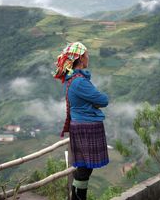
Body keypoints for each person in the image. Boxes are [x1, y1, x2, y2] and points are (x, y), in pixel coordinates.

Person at [54, 42, 109, 200]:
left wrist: (92, 101)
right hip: (87, 127)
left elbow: (95, 100)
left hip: (82, 125)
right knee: (85, 169)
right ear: (81, 58)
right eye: (87, 54)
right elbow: (103, 100)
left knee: (85, 168)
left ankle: (78, 197)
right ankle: (77, 197)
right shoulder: (79, 82)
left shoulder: (76, 80)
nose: (88, 57)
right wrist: (95, 102)